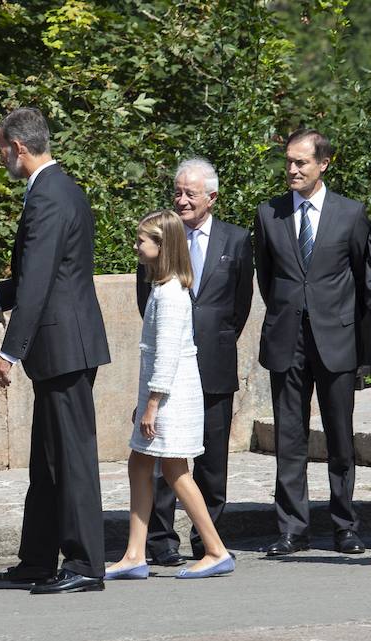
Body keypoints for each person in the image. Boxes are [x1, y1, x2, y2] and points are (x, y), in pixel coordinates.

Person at [0, 107, 112, 594]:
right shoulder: (57, 188)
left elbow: (39, 281)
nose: (1, 158)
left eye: (1, 149)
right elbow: (37, 276)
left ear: (19, 147)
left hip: (64, 344)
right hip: (63, 344)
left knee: (73, 457)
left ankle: (84, 565)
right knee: (47, 458)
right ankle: (37, 559)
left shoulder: (48, 196)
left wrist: (9, 352)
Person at [254, 128, 370, 556]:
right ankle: (292, 529)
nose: (292, 169)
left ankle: (345, 526)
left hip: (336, 339)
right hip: (287, 339)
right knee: (289, 437)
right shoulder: (270, 213)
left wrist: (354, 339)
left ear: (323, 164)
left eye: (301, 162)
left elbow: (362, 280)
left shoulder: (351, 213)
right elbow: (267, 279)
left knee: (340, 437)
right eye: (288, 161)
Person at [136, 158, 254, 565]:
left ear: (212, 197)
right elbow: (145, 300)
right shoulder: (163, 236)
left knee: (212, 462)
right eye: (178, 191)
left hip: (215, 363)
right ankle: (160, 542)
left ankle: (208, 542)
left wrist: (213, 341)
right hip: (170, 367)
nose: (182, 200)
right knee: (165, 457)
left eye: (190, 193)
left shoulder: (236, 240)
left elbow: (239, 306)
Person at [107, 210, 235, 580]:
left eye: (142, 240)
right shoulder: (165, 289)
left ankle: (215, 549)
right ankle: (135, 553)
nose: (136, 246)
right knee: (140, 464)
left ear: (161, 246)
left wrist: (150, 405)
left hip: (171, 399)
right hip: (164, 396)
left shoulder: (171, 294)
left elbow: (166, 356)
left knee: (176, 471)